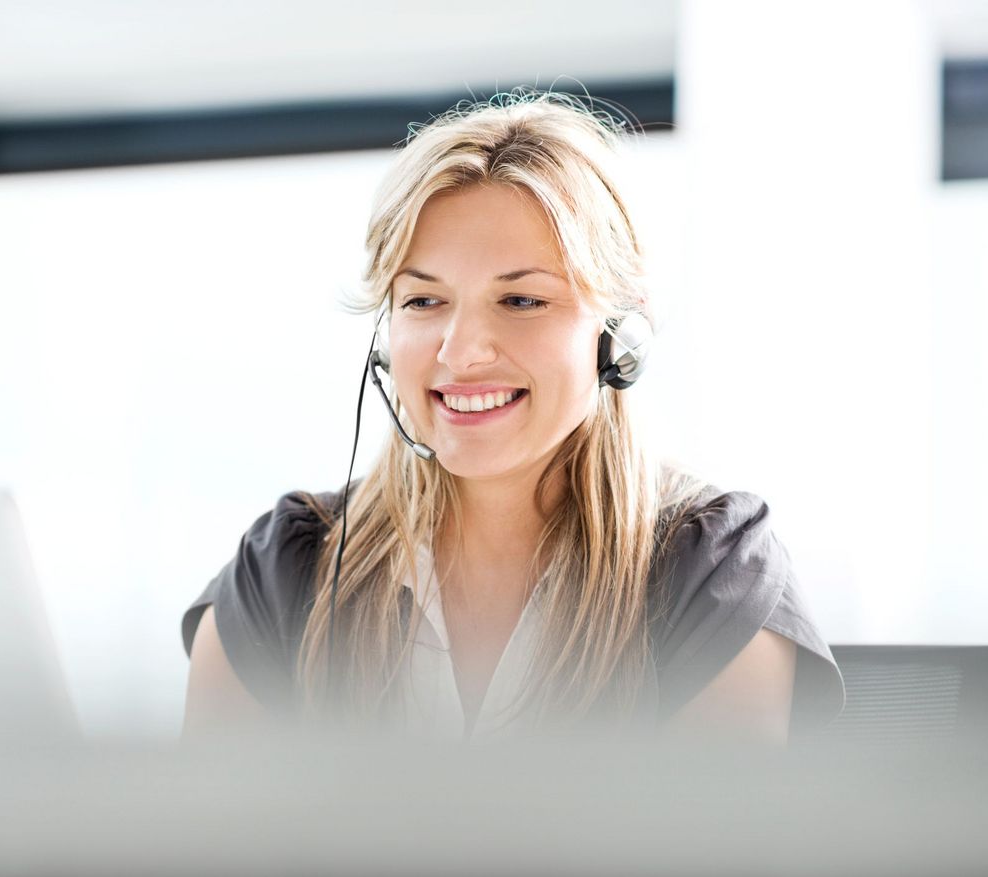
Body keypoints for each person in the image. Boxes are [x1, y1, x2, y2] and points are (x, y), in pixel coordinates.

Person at [181, 90, 845, 744]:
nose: (462, 351)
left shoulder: (709, 575)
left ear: (620, 333)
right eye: (423, 301)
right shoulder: (285, 576)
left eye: (522, 300)